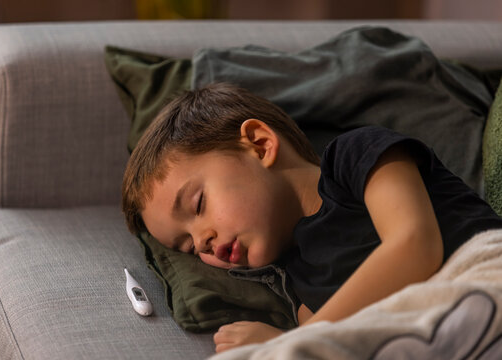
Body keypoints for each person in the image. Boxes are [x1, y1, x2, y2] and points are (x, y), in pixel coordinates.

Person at [121, 83, 502, 353]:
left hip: (480, 268)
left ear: (259, 144)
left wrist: (290, 341)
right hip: (429, 328)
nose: (202, 242)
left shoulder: (356, 156)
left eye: (199, 203)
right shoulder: (298, 282)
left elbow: (415, 246)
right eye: (187, 246)